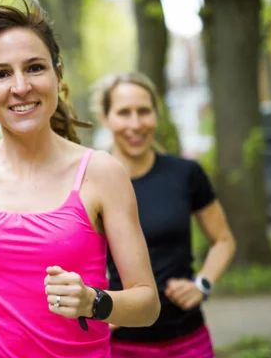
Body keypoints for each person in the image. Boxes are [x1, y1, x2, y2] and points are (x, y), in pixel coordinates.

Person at [0, 0, 160, 358]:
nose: (20, 87)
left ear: (57, 73)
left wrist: (93, 302)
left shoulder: (100, 174)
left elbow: (147, 304)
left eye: (34, 67)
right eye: (1, 74)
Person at [93, 73, 236, 357]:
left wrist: (202, 284)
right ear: (105, 118)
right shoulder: (90, 182)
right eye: (124, 113)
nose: (135, 124)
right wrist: (98, 309)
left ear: (156, 115)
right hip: (121, 345)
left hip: (187, 338)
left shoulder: (185, 173)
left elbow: (223, 240)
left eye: (144, 111)